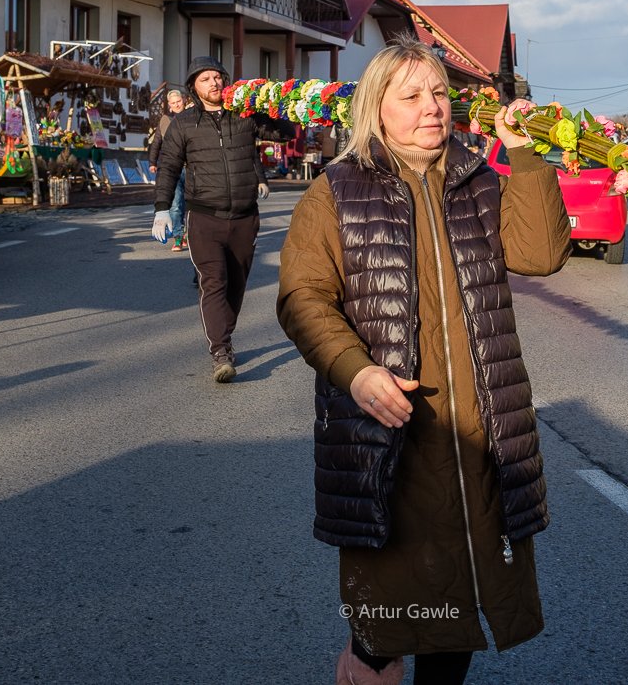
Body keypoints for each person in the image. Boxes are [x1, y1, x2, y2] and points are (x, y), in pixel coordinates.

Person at [276, 37, 571, 685]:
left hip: (474, 424)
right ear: (378, 108)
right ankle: (367, 661)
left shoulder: (478, 182)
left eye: (438, 92)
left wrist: (522, 150)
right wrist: (356, 370)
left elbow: (542, 252)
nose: (431, 107)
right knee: (388, 600)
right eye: (411, 95)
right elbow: (303, 298)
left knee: (455, 597)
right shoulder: (337, 193)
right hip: (385, 429)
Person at [151, 57, 268, 382]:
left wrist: (266, 104)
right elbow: (169, 165)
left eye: (218, 77)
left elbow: (283, 132)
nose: (214, 83)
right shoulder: (184, 123)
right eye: (206, 79)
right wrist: (162, 207)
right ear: (194, 88)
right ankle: (220, 351)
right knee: (214, 280)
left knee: (237, 284)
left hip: (245, 217)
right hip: (205, 217)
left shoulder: (244, 115)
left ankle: (224, 336)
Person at [147, 89, 189, 251]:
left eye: (178, 101)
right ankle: (178, 236)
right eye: (173, 103)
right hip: (172, 168)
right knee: (176, 204)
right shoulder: (165, 120)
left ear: (183, 100)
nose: (176, 104)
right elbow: (157, 142)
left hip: (192, 166)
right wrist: (152, 161)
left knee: (192, 204)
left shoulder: (192, 116)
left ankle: (190, 233)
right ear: (169, 105)